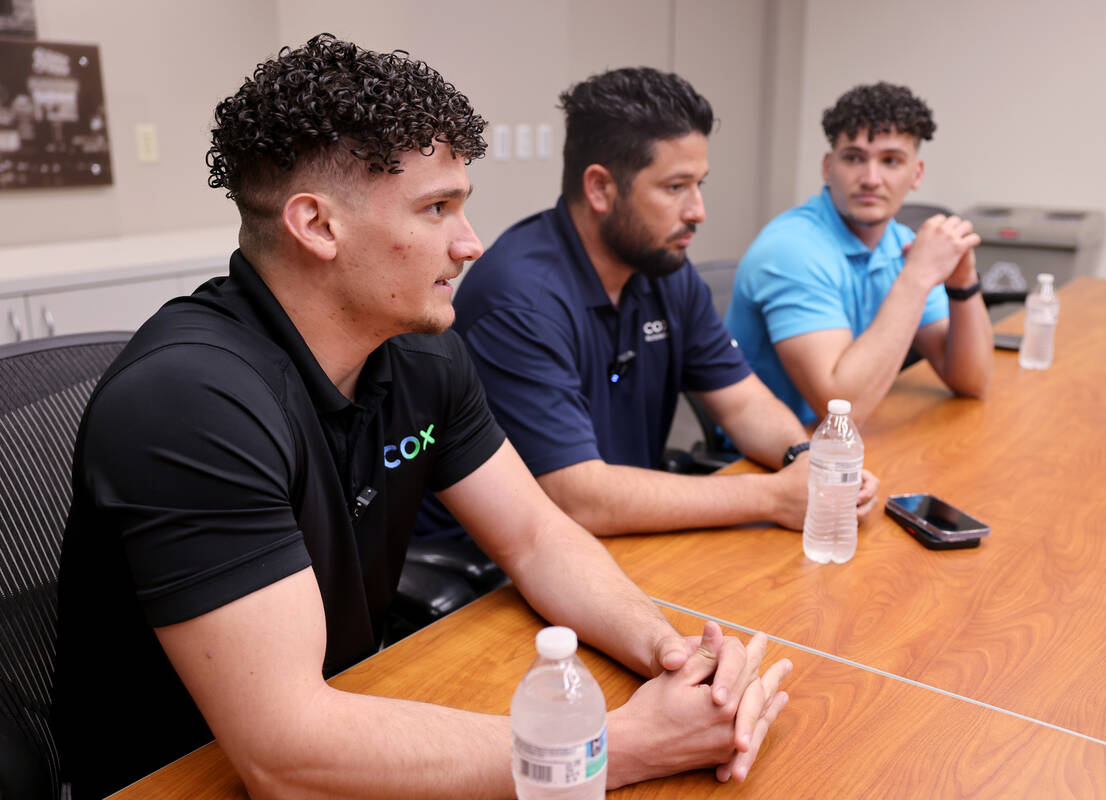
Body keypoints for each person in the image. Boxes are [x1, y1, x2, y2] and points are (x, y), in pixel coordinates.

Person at [51, 35, 791, 799]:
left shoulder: (420, 354)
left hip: (354, 716)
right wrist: (622, 745)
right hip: (183, 777)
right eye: (437, 208)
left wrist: (672, 658)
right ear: (317, 226)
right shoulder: (187, 403)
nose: (470, 244)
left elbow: (538, 539)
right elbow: (283, 756)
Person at [426, 67, 878, 540]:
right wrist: (774, 497)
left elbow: (742, 403)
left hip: (629, 534)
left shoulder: (665, 269)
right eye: (675, 187)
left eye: (699, 184)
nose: (697, 210)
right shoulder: (519, 301)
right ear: (600, 188)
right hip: (495, 576)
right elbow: (577, 497)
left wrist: (808, 462)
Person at [725, 82, 993, 427]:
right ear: (827, 166)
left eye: (891, 161)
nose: (871, 178)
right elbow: (840, 409)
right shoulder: (791, 251)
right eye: (853, 158)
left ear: (917, 174)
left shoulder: (902, 243)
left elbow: (973, 381)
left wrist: (963, 283)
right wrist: (918, 277)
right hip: (770, 459)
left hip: (850, 447)